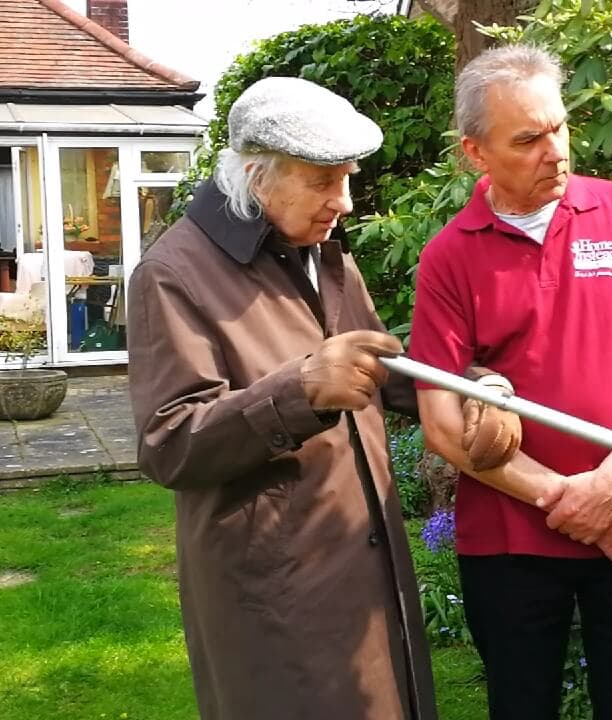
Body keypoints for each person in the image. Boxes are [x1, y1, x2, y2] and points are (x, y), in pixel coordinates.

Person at [127, 76, 522, 720]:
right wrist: (301, 390)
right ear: (258, 177)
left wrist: (474, 386)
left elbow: (384, 372)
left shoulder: (316, 253)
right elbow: (168, 444)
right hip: (276, 593)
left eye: (347, 178)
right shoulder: (174, 275)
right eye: (321, 181)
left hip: (366, 570)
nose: (342, 201)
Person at [407, 45, 612, 720]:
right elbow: (442, 422)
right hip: (511, 537)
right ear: (475, 153)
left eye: (559, 127)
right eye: (528, 139)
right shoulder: (450, 257)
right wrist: (564, 499)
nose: (556, 151)